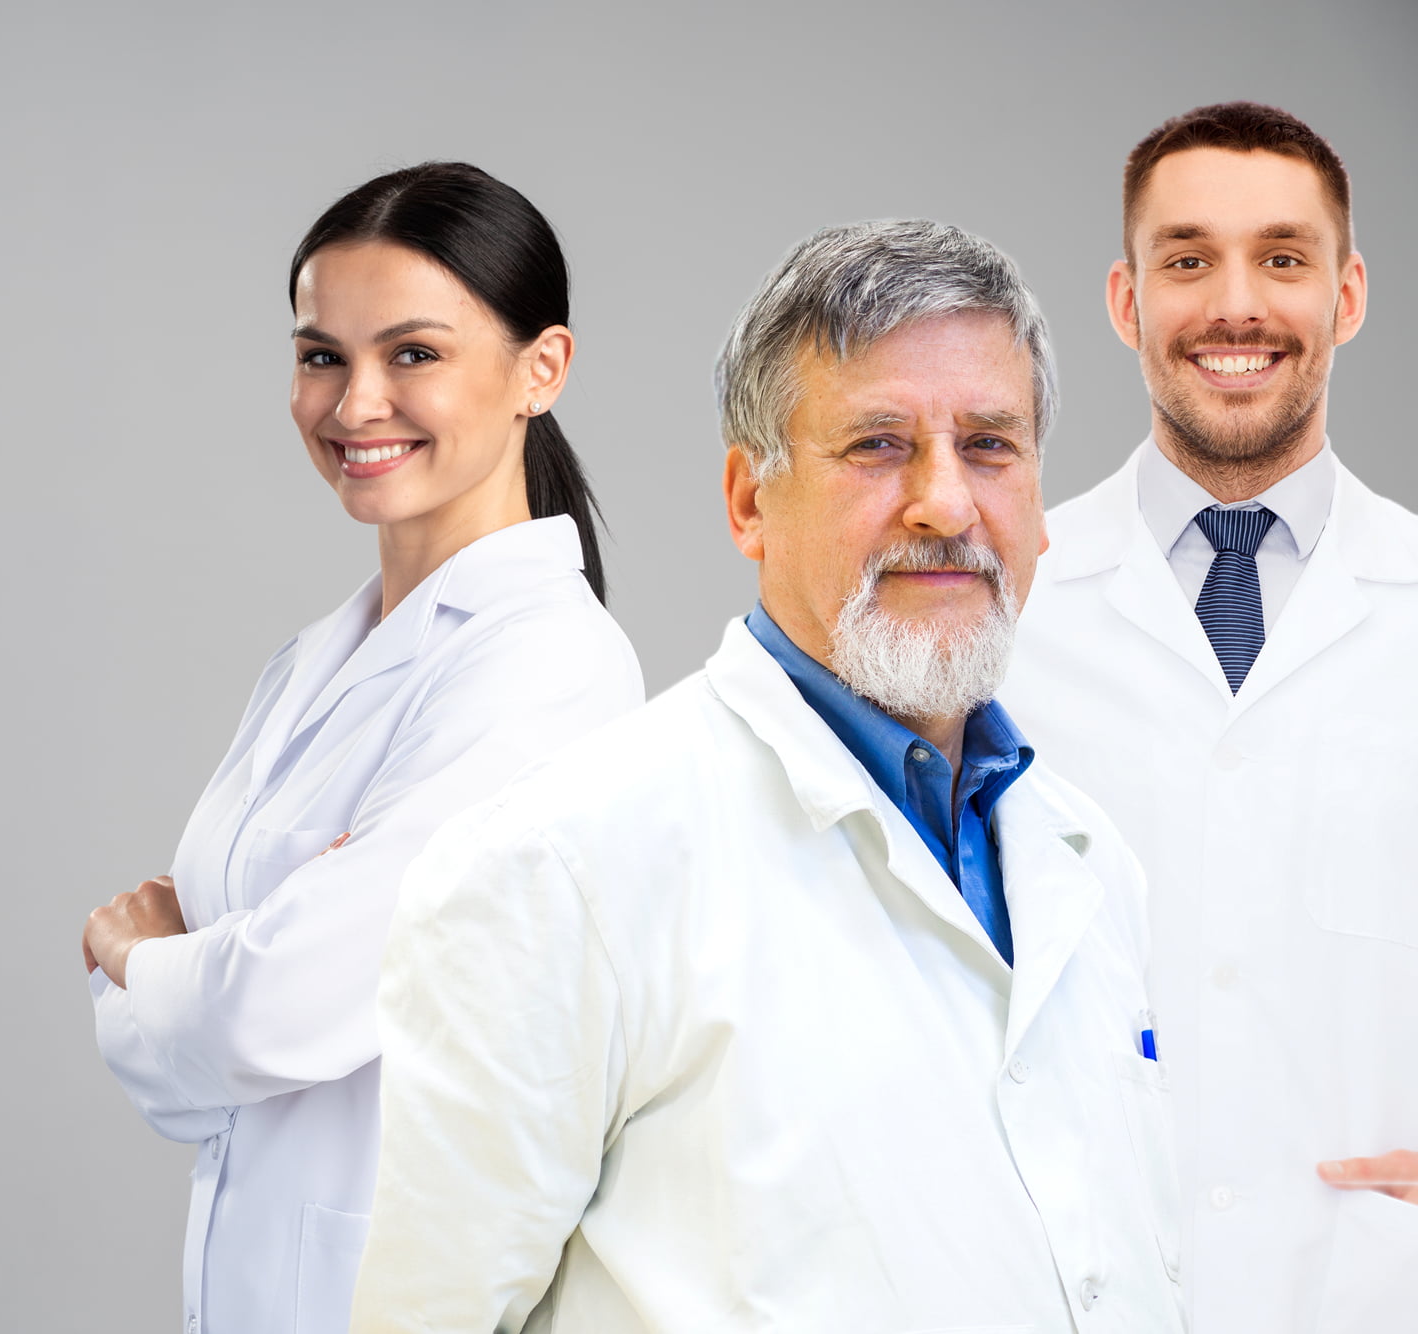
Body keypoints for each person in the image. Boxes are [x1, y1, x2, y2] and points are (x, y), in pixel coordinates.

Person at [352, 219, 1184, 1331]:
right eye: (878, 445)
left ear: (1037, 504)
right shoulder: (558, 867)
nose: (945, 502)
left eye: (989, 444)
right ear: (748, 500)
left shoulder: (1090, 864)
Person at [82, 162, 643, 1334]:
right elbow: (187, 1082)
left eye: (413, 354)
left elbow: (261, 1013)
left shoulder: (548, 670)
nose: (352, 405)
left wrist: (141, 958)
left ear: (541, 368)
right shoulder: (313, 661)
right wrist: (230, 977)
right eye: (320, 355)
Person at [1005, 102, 1418, 1332]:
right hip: (1070, 1282)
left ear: (1344, 296)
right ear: (1127, 303)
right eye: (1186, 260)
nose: (1233, 306)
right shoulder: (1001, 606)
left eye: (1280, 259)